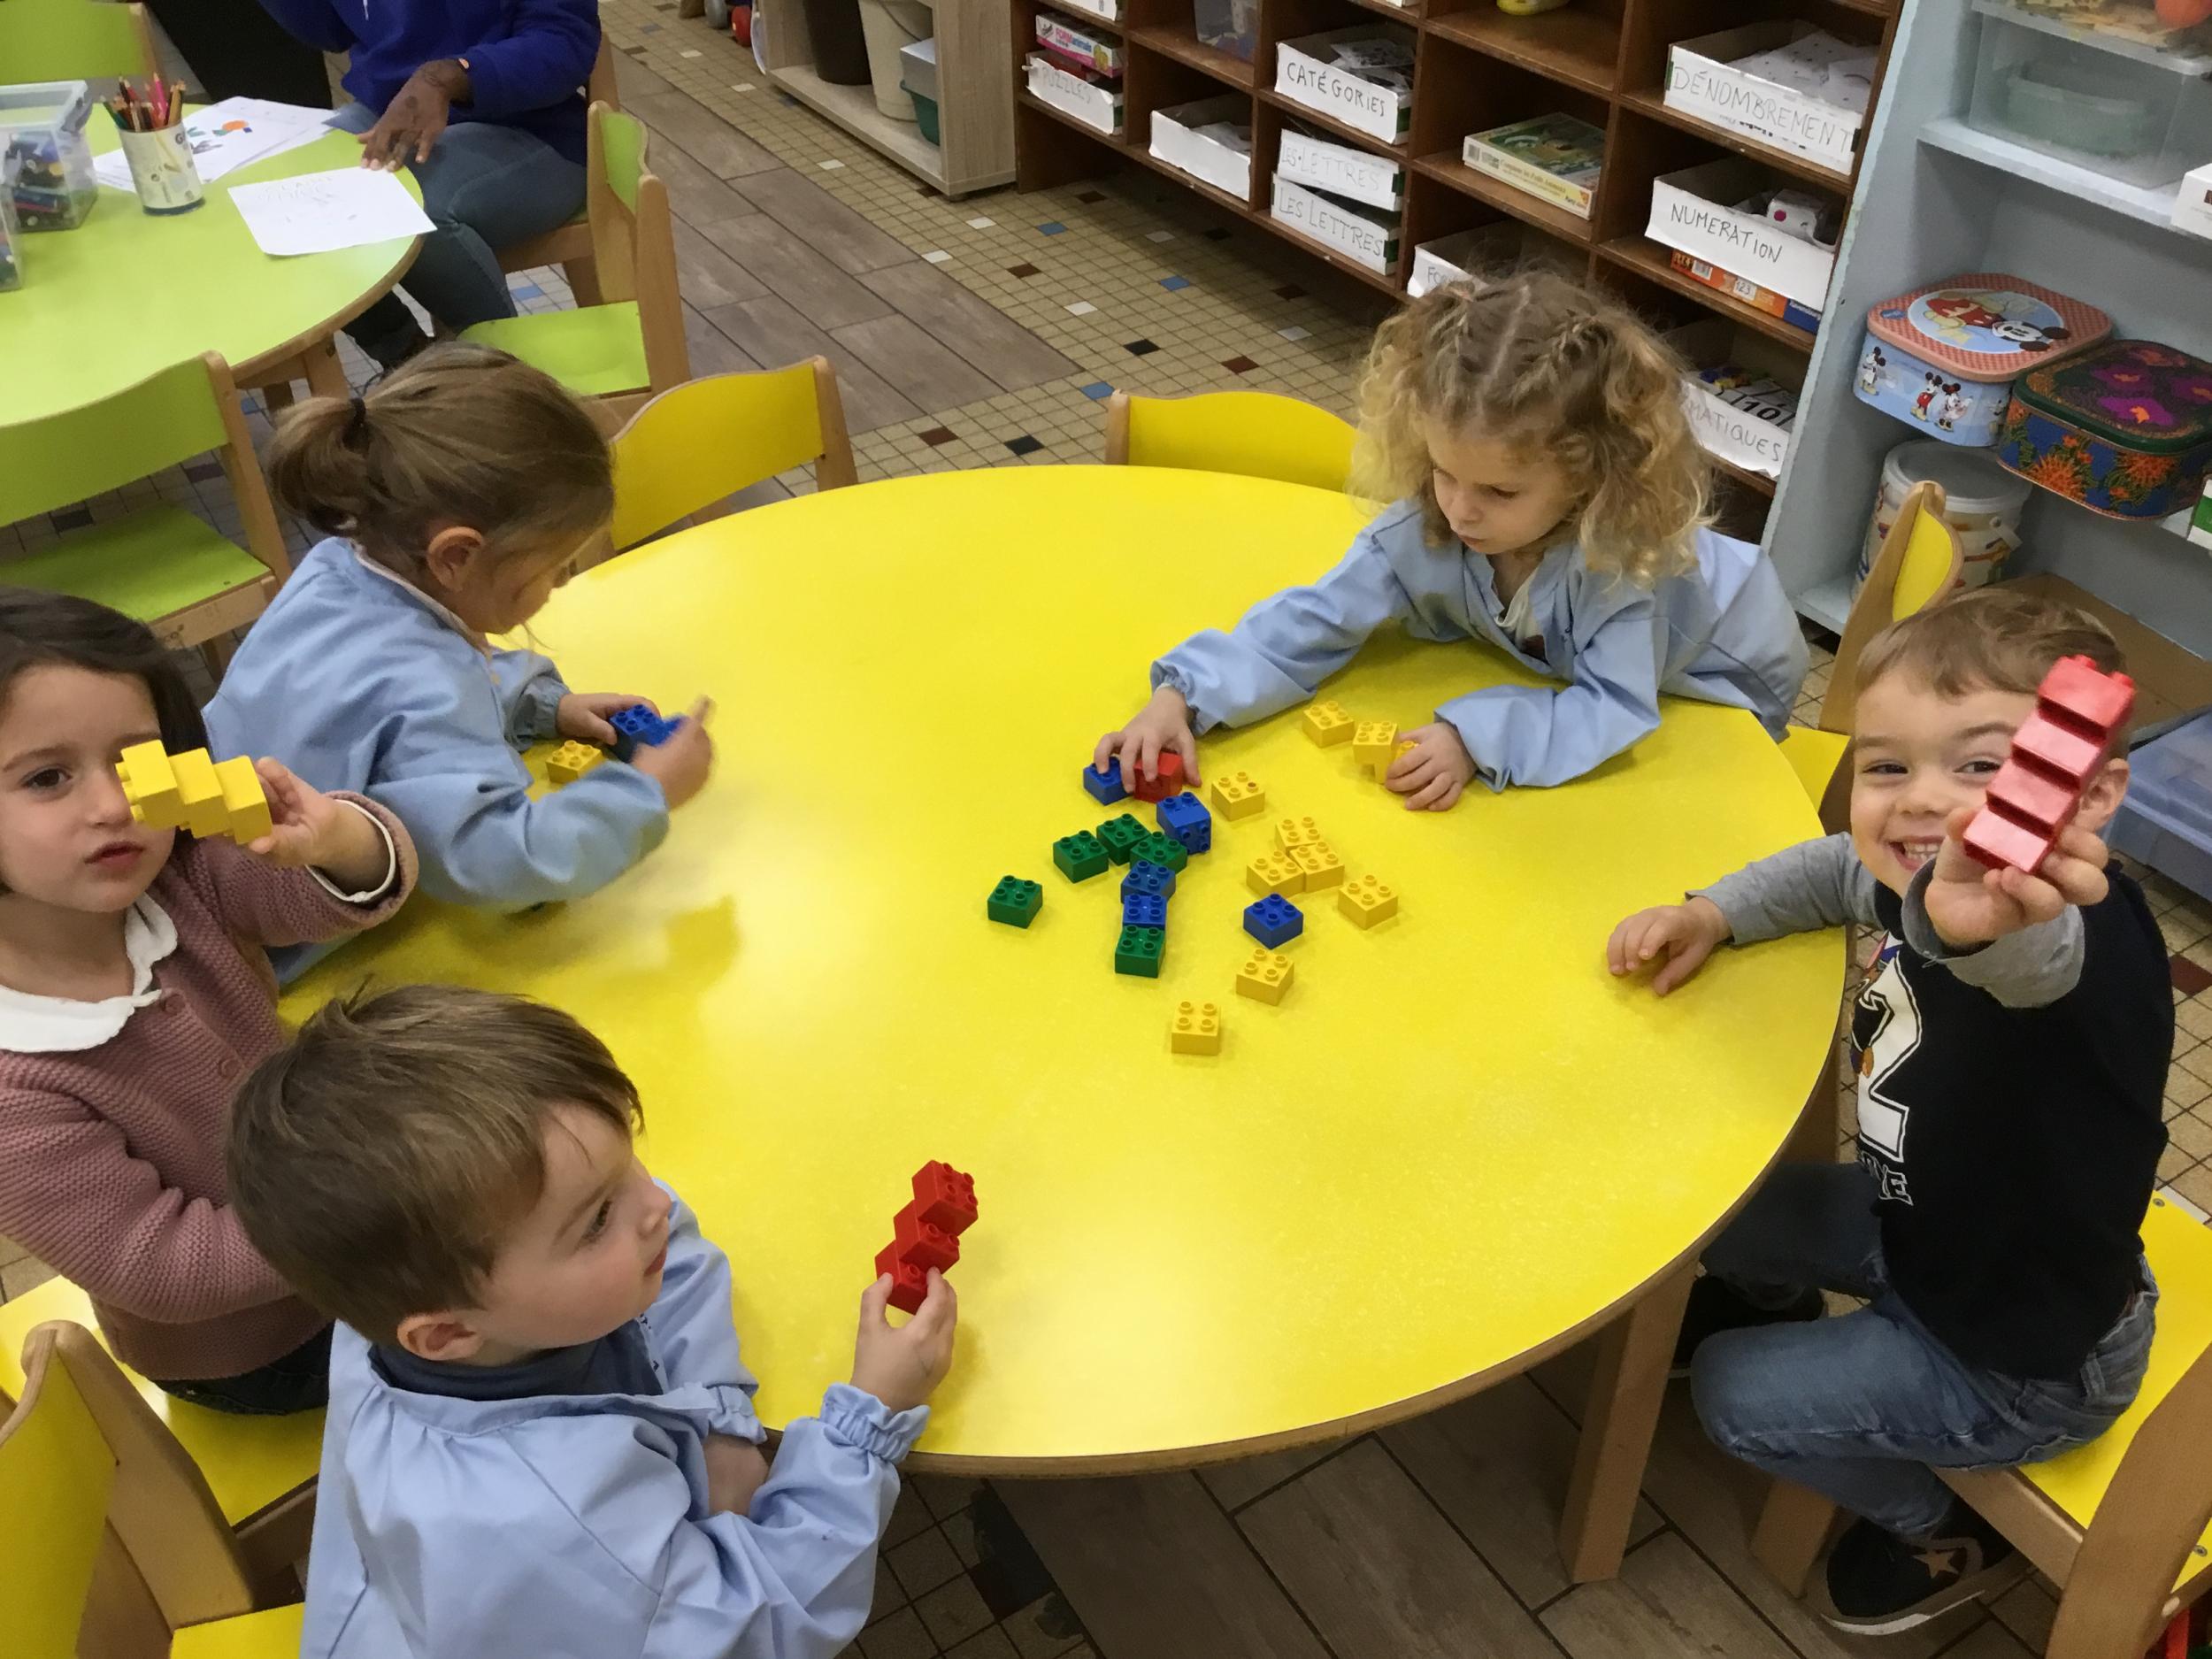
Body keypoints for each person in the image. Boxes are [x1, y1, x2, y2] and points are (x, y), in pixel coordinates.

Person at [1606, 588, 2169, 1632]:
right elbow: (1839, 870)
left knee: (1729, 1389)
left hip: (2021, 1359)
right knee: (1723, 1211)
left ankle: (1939, 1529)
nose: (1921, 804)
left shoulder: (2054, 936)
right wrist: (1714, 911)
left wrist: (1973, 921)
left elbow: (2023, 958)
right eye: (1887, 767)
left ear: (2088, 795)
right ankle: (1783, 1307)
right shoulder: (1923, 871)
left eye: (1980, 767)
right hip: (1927, 1231)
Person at [227, 985, 958, 1659]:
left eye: (628, 1161)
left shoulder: (425, 1289)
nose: (656, 1202)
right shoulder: (547, 1523)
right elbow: (763, 1627)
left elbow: (668, 1254)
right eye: (598, 1217)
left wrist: (722, 1422)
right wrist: (865, 1425)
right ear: (447, 1333)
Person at [1096, 273, 1808, 806]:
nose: (1460, 511)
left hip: (1725, 665)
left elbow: (1613, 703)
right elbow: (1314, 619)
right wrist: (1182, 697)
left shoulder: (1622, 570)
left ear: (1589, 478)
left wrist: (1475, 737)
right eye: (1443, 473)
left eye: (1499, 492)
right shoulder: (1428, 525)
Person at [0, 592, 415, 1414]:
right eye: (47, 777)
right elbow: (161, 1266)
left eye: (138, 764)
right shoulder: (15, 1088)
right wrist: (374, 1211)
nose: (115, 806)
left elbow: (343, 893)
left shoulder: (177, 881)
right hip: (257, 1348)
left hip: (347, 1214)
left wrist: (333, 838)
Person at [204, 344, 712, 980]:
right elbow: (499, 863)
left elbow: (374, 706)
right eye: (553, 567)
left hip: (200, 864)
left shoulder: (335, 568)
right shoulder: (428, 687)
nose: (559, 585)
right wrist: (646, 793)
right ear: (456, 557)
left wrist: (544, 706)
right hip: (259, 954)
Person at [251, 0, 601, 368]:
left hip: (533, 126)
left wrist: (451, 76)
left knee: (412, 208)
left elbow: (565, 41)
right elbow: (331, 30)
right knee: (286, 200)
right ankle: (408, 359)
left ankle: (499, 376)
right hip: (390, 109)